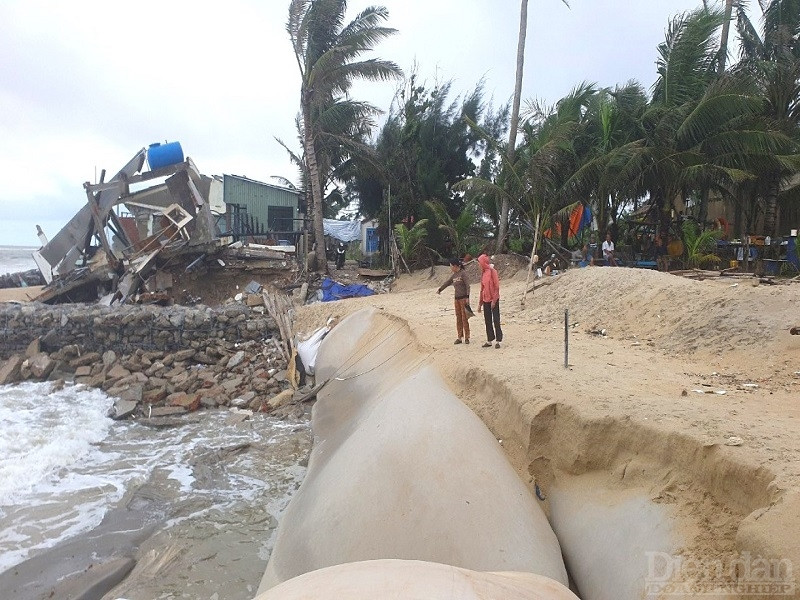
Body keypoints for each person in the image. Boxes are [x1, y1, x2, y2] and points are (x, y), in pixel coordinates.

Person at [437, 257, 472, 344]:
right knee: (458, 318)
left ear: (455, 266)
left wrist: (468, 297)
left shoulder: (463, 274)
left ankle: (467, 337)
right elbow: (447, 283)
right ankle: (459, 337)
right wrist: (440, 289)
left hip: (463, 299)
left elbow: (468, 286)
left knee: (464, 318)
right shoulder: (454, 276)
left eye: (451, 266)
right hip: (456, 299)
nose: (450, 267)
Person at [477, 254, 503, 348]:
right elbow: (482, 289)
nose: (479, 265)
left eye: (480, 263)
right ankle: (489, 340)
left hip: (494, 299)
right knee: (487, 320)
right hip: (485, 300)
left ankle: (498, 341)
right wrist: (480, 304)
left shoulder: (493, 272)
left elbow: (497, 287)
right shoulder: (483, 273)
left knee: (496, 320)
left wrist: (494, 300)